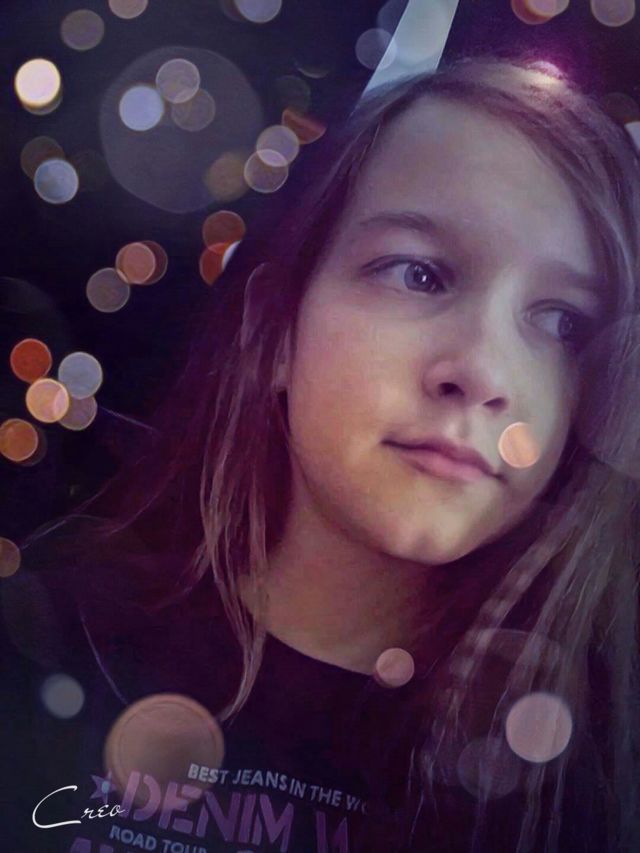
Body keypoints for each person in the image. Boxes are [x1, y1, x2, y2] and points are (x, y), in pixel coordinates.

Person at [10, 50, 640, 852]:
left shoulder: (596, 788)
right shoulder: (44, 634)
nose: (484, 373)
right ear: (273, 331)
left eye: (562, 322)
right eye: (419, 274)